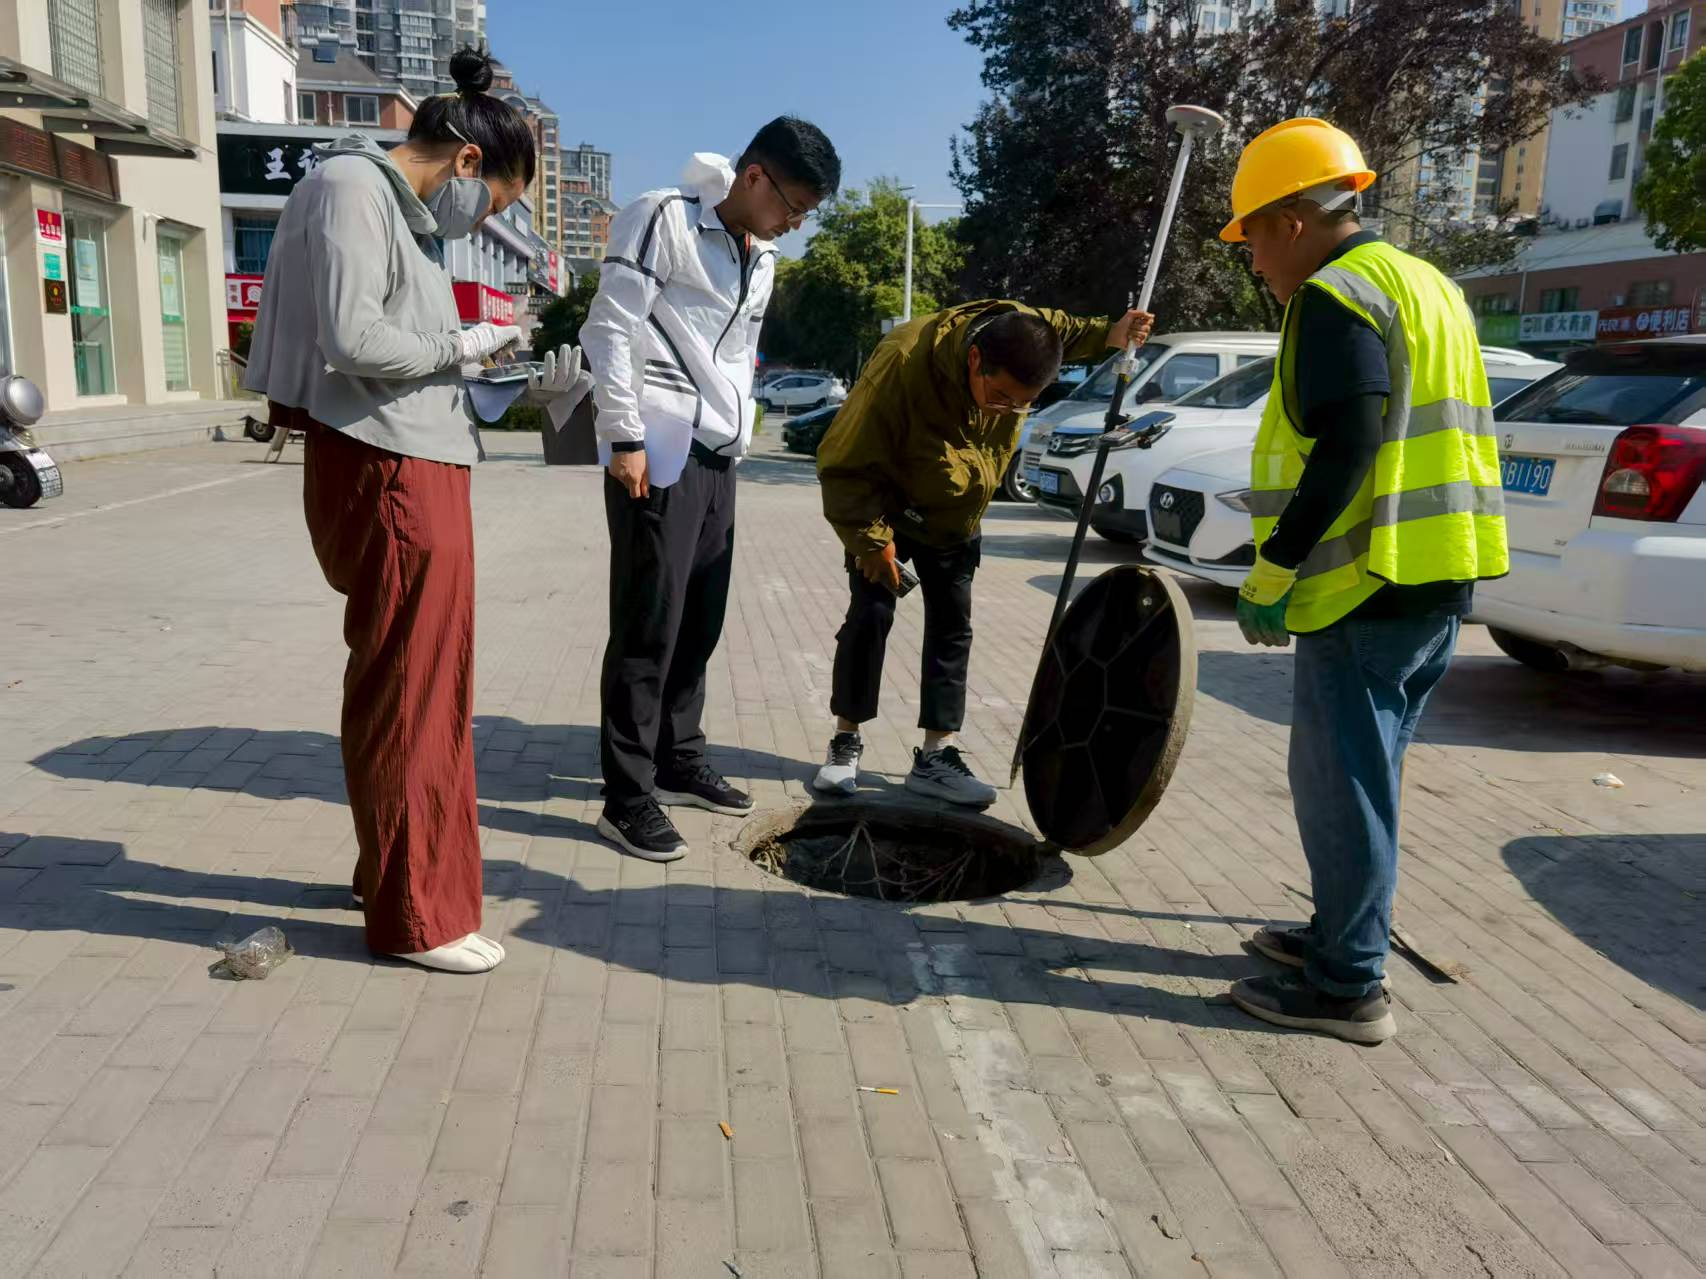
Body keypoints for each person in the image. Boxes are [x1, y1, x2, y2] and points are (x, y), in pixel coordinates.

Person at [244, 48, 590, 973]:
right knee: (417, 693)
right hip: (391, 470)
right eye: (496, 205)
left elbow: (402, 355)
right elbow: (357, 339)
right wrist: (469, 341)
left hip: (413, 458)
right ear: (468, 164)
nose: (483, 221)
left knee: (410, 681)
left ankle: (390, 876)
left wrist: (498, 375)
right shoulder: (353, 188)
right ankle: (418, 914)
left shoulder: (394, 211)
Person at [1218, 118, 1509, 1043]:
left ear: (1295, 218)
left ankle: (1348, 985)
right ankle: (1337, 935)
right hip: (1439, 570)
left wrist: (1272, 567)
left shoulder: (1336, 296)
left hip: (1367, 581)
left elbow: (1349, 444)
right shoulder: (1427, 284)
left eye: (1253, 236)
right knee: (1366, 777)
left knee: (1340, 780)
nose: (1253, 260)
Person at [582, 118, 842, 862]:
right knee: (647, 626)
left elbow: (733, 355)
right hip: (657, 452)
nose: (795, 223)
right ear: (753, 176)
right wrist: (623, 435)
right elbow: (611, 329)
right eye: (792, 204)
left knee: (700, 620)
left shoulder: (762, 257)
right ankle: (626, 797)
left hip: (720, 457)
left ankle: (677, 757)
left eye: (806, 214)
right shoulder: (662, 217)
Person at [812, 300, 1154, 805]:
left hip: (955, 516)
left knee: (953, 627)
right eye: (1001, 397)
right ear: (975, 360)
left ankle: (936, 756)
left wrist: (1112, 331)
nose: (1008, 410)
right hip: (889, 507)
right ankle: (846, 741)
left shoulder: (1029, 328)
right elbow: (842, 463)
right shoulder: (902, 363)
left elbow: (1070, 328)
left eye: (1023, 403)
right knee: (871, 616)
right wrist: (871, 542)